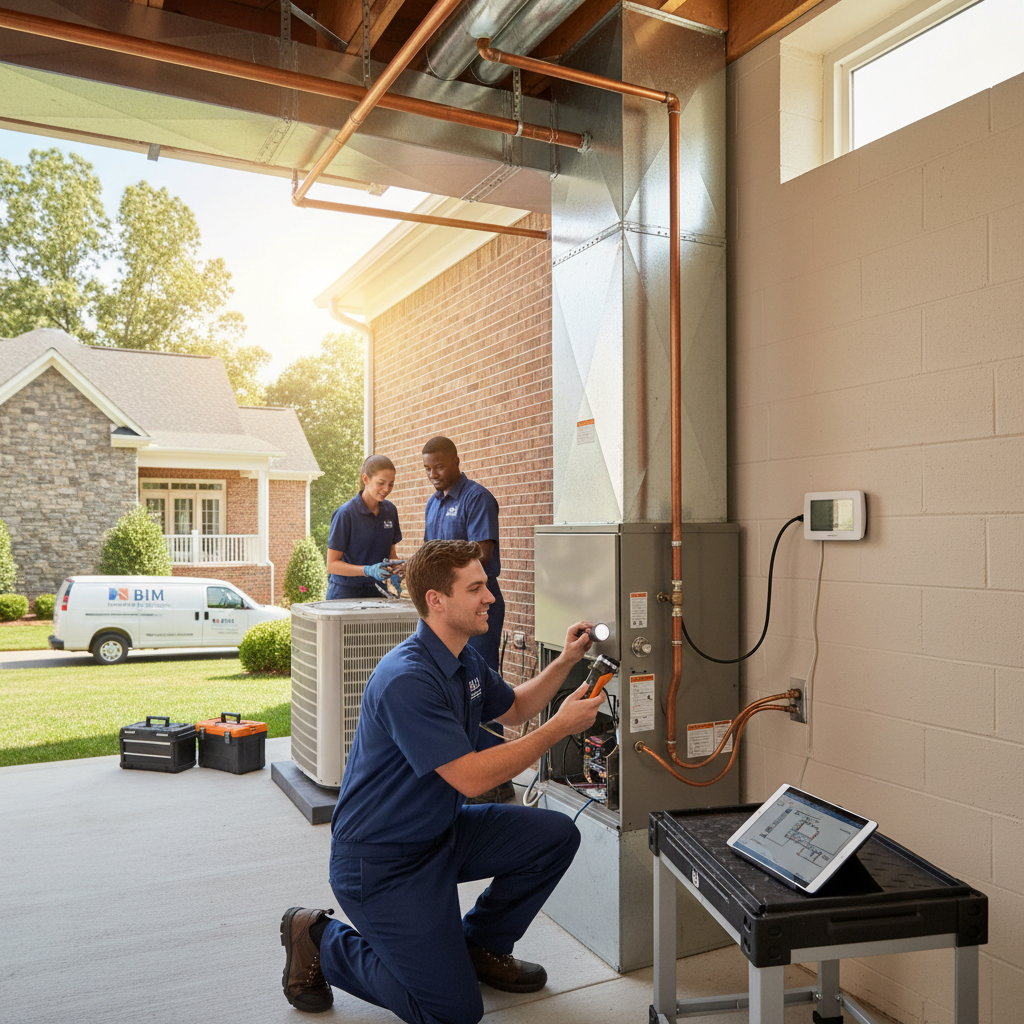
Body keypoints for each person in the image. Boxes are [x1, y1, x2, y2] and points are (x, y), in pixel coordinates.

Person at [281, 539, 604, 1022]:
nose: (490, 597)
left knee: (554, 836)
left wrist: (566, 661)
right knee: (452, 1013)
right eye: (475, 588)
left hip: (440, 834)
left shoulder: (462, 658)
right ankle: (322, 941)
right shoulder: (407, 679)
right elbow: (472, 778)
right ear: (436, 600)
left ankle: (479, 946)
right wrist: (559, 727)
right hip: (381, 862)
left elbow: (513, 706)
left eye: (486, 585)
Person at [421, 436, 510, 801]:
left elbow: (483, 552)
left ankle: (495, 777)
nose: (433, 475)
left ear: (456, 461)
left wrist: (440, 562)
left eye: (439, 467)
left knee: (480, 683)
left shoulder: (477, 498)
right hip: (445, 610)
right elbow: (429, 552)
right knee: (450, 683)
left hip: (477, 605)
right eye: (427, 469)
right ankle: (463, 772)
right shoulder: (433, 503)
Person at [326, 455, 404, 600]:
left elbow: (391, 556)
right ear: (366, 479)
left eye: (391, 484)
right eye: (381, 483)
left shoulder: (390, 511)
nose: (386, 489)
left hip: (377, 591)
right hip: (345, 593)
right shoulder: (345, 514)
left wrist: (398, 569)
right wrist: (368, 570)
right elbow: (332, 565)